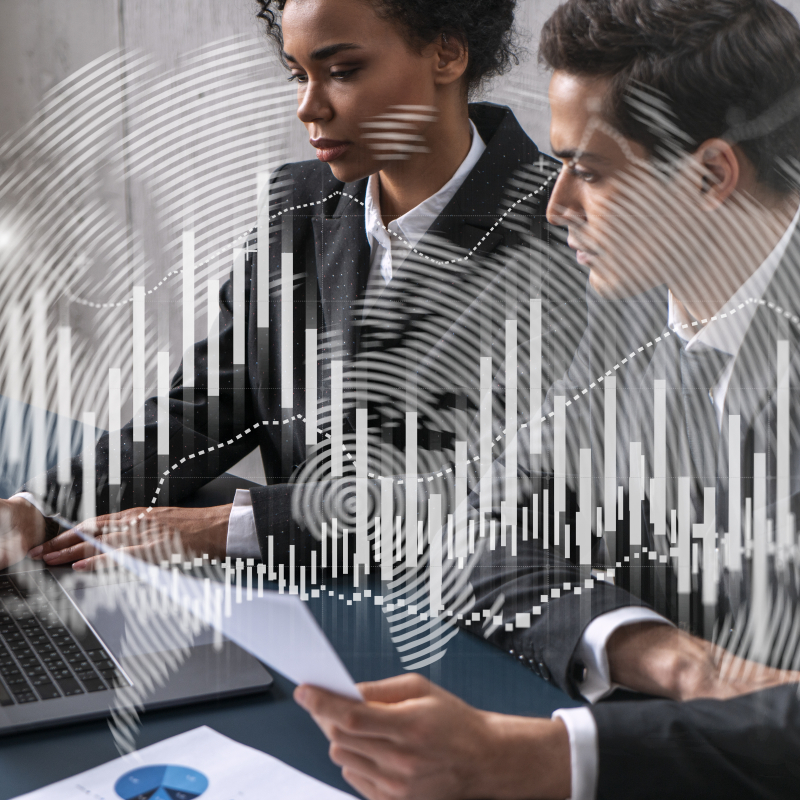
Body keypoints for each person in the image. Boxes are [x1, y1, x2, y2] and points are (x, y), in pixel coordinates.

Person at [290, 1, 800, 798]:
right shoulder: (605, 309)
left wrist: (536, 757)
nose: (556, 206)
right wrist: (669, 656)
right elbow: (468, 527)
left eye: (589, 172)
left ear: (710, 176)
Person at [0, 0, 580, 571]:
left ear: (447, 53)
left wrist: (224, 528)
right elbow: (211, 400)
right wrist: (40, 509)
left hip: (477, 622)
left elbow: (481, 488)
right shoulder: (300, 205)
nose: (308, 107)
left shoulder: (564, 229)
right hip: (308, 611)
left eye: (343, 72)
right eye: (299, 74)